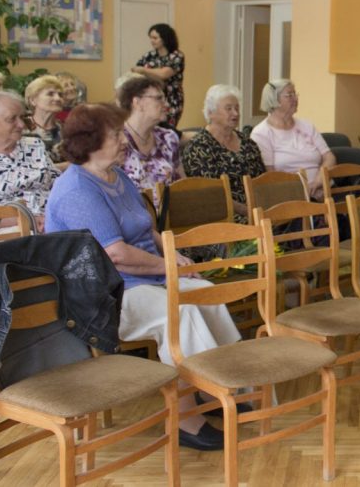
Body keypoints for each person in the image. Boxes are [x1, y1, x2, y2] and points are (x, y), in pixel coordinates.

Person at [45, 103, 242, 451]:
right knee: (180, 312)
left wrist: (174, 256)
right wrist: (169, 267)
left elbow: (145, 229)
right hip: (104, 297)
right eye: (116, 134)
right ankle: (187, 418)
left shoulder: (116, 175)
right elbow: (116, 254)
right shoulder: (77, 190)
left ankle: (223, 388)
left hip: (143, 280)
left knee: (206, 293)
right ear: (90, 142)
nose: (125, 140)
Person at [181, 84, 266, 223]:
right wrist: (247, 211)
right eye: (229, 108)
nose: (236, 113)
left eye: (237, 108)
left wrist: (262, 208)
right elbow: (211, 194)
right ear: (211, 113)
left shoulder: (247, 143)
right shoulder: (199, 147)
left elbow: (262, 180)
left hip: (256, 210)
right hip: (222, 215)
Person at [251, 80, 335, 200]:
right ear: (274, 100)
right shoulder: (261, 133)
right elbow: (270, 174)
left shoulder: (307, 125)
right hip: (289, 196)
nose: (295, 98)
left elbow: (329, 157)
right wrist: (302, 191)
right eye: (289, 95)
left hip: (323, 190)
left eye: (295, 94)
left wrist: (318, 181)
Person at [0, 90, 59, 231]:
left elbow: (58, 183)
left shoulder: (34, 145)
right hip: (12, 234)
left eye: (22, 117)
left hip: (54, 224)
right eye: (11, 119)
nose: (21, 125)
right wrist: (29, 220)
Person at [117, 76, 182, 201]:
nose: (167, 104)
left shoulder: (168, 138)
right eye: (159, 98)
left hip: (169, 211)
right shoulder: (115, 140)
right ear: (137, 103)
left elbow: (181, 183)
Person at [133, 23, 185, 128]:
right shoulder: (149, 55)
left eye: (155, 38)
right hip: (151, 97)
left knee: (167, 128)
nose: (152, 41)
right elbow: (135, 70)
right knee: (151, 127)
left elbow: (164, 74)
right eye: (150, 38)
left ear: (164, 39)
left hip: (171, 99)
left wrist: (144, 70)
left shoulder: (176, 56)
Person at [22, 75, 64, 162]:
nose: (58, 98)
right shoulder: (21, 128)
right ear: (33, 100)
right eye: (50, 94)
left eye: (60, 95)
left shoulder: (66, 129)